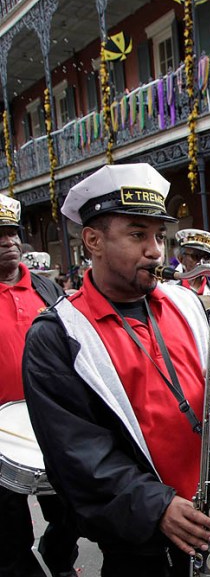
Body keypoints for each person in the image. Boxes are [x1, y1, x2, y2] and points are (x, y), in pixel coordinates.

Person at [22, 163, 210, 576]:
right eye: (137, 235)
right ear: (93, 241)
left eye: (160, 236)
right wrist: (157, 505)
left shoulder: (187, 303)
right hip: (144, 544)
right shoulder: (56, 335)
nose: (156, 251)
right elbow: (75, 453)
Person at [0, 193, 79, 577]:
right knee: (8, 529)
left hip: (51, 422)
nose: (8, 242)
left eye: (12, 233)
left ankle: (59, 557)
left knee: (71, 512)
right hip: (2, 433)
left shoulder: (47, 290)